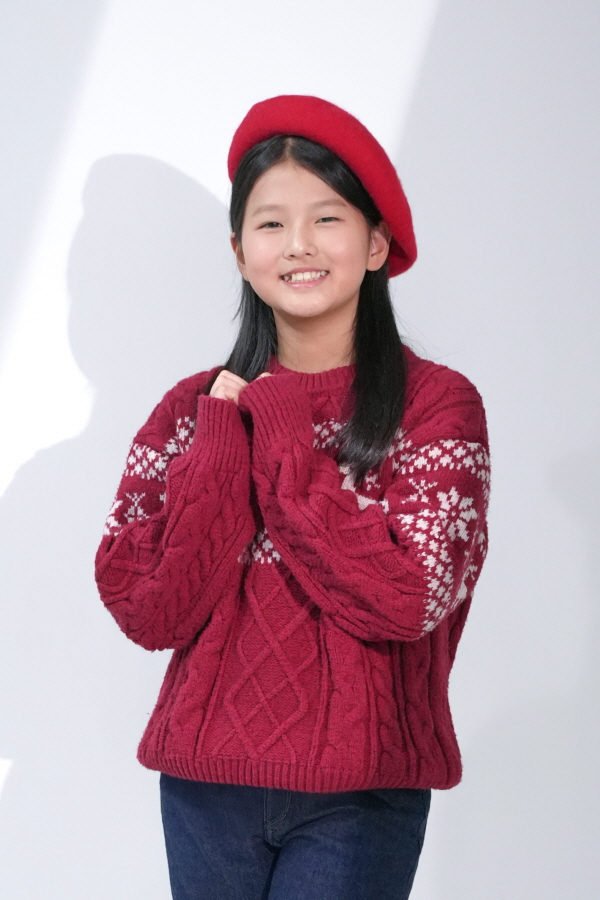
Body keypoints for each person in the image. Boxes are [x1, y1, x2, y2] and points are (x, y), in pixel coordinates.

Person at [95, 95, 490, 900]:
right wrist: (219, 443)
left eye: (328, 218)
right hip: (205, 786)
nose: (299, 244)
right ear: (240, 252)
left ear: (376, 243)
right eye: (271, 223)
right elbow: (148, 611)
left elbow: (409, 597)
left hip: (361, 790)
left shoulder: (436, 408)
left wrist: (279, 435)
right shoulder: (190, 413)